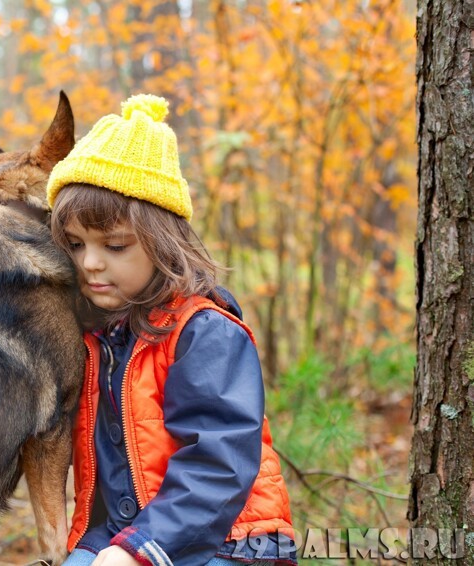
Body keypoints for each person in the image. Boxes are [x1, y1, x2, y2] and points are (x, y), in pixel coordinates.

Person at [45, 94, 298, 566]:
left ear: (162, 244)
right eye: (75, 244)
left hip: (233, 540)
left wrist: (139, 550)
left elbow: (219, 464)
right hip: (119, 535)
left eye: (115, 245)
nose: (91, 263)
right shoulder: (91, 334)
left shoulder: (204, 332)